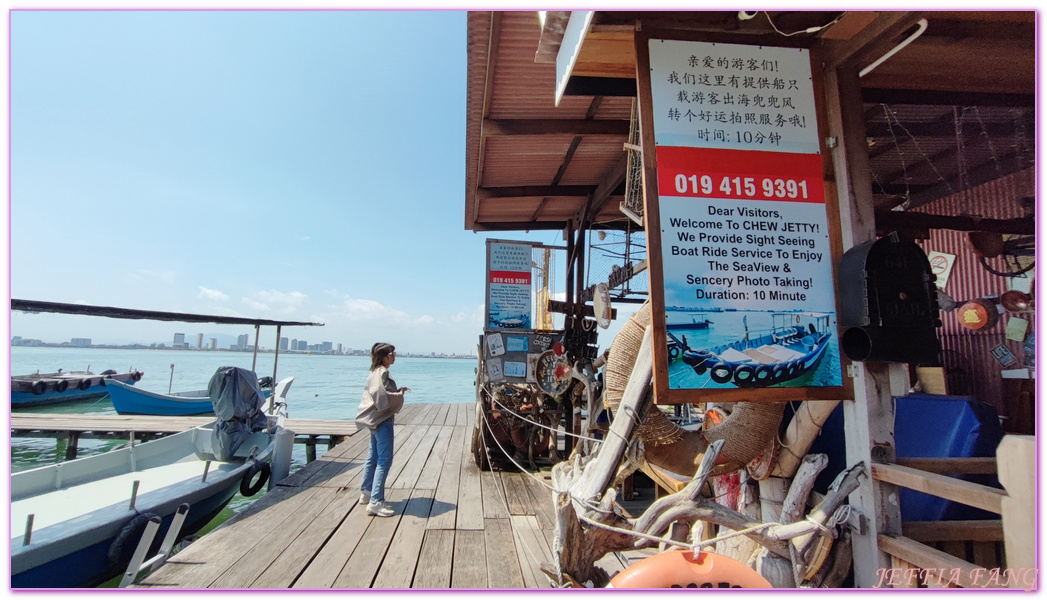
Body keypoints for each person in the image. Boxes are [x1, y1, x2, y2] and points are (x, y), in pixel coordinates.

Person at [355, 343, 410, 517]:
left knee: (373, 457)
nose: (395, 355)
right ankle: (376, 502)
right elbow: (381, 396)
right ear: (385, 356)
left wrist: (396, 391)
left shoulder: (374, 371)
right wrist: (399, 395)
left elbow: (379, 391)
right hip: (382, 420)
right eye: (392, 353)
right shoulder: (383, 372)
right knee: (384, 461)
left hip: (373, 421)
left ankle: (366, 491)